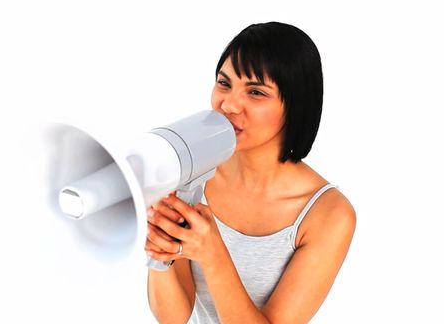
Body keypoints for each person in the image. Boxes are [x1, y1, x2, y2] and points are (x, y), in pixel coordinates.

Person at [145, 21, 356, 324]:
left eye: (256, 92)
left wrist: (212, 252)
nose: (229, 104)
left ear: (295, 105)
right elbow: (173, 317)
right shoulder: (192, 170)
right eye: (224, 83)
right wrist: (159, 252)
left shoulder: (329, 214)